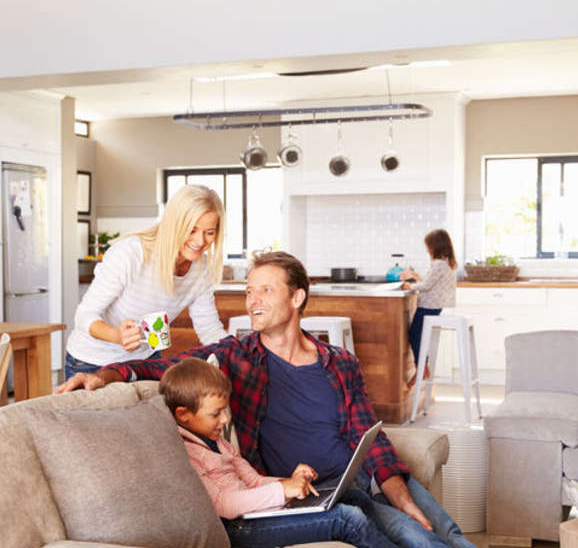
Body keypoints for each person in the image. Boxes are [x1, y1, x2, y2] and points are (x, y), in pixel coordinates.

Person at [58, 251, 475, 548]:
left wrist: (401, 496)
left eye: (265, 290)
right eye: (249, 291)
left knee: (446, 532)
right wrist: (106, 374)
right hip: (314, 491)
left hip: (362, 477)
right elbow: (165, 366)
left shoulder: (340, 362)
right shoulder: (237, 357)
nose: (252, 301)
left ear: (296, 298)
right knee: (417, 538)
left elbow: (371, 437)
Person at [160, 358, 400, 548]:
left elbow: (254, 481)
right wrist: (282, 491)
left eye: (225, 411)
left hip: (254, 514)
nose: (224, 420)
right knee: (346, 518)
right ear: (183, 415)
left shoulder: (218, 442)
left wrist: (290, 483)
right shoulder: (185, 454)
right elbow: (223, 505)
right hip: (236, 529)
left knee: (354, 496)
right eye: (216, 414)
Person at [64, 185, 229, 379]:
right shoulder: (131, 253)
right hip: (93, 362)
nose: (200, 241)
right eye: (191, 230)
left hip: (145, 362)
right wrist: (116, 336)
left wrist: (238, 351)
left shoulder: (202, 268)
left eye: (209, 232)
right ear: (174, 225)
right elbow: (84, 315)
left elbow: (208, 327)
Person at [400, 229, 457, 386]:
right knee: (418, 335)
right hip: (434, 306)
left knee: (414, 334)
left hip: (428, 306)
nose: (427, 250)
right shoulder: (446, 263)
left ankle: (421, 368)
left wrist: (410, 286)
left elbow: (426, 286)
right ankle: (423, 368)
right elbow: (431, 281)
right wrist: (416, 276)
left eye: (428, 246)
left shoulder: (438, 264)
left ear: (435, 246)